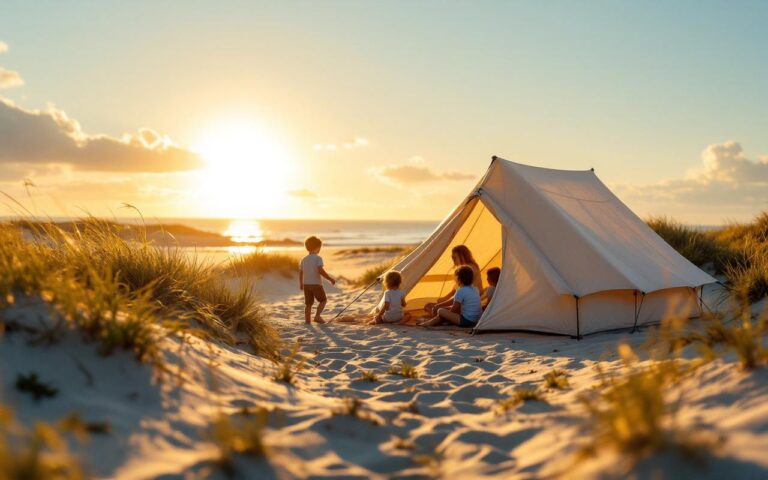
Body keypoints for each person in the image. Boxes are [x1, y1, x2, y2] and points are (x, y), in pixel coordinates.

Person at [424, 245, 482, 316]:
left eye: (455, 257)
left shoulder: (469, 269)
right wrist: (443, 299)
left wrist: (442, 302)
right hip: (459, 301)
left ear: (462, 256)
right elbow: (455, 290)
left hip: (464, 303)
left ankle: (440, 316)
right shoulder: (463, 269)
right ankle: (439, 315)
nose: (453, 259)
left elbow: (459, 295)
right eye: (452, 257)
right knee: (429, 306)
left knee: (436, 309)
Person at [299, 235, 336, 324]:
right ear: (317, 247)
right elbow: (320, 270)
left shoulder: (303, 259)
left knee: (308, 304)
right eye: (320, 247)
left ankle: (307, 321)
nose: (320, 249)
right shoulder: (318, 258)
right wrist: (329, 278)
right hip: (316, 284)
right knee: (323, 300)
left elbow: (301, 272)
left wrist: (301, 283)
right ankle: (317, 316)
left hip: (306, 284)